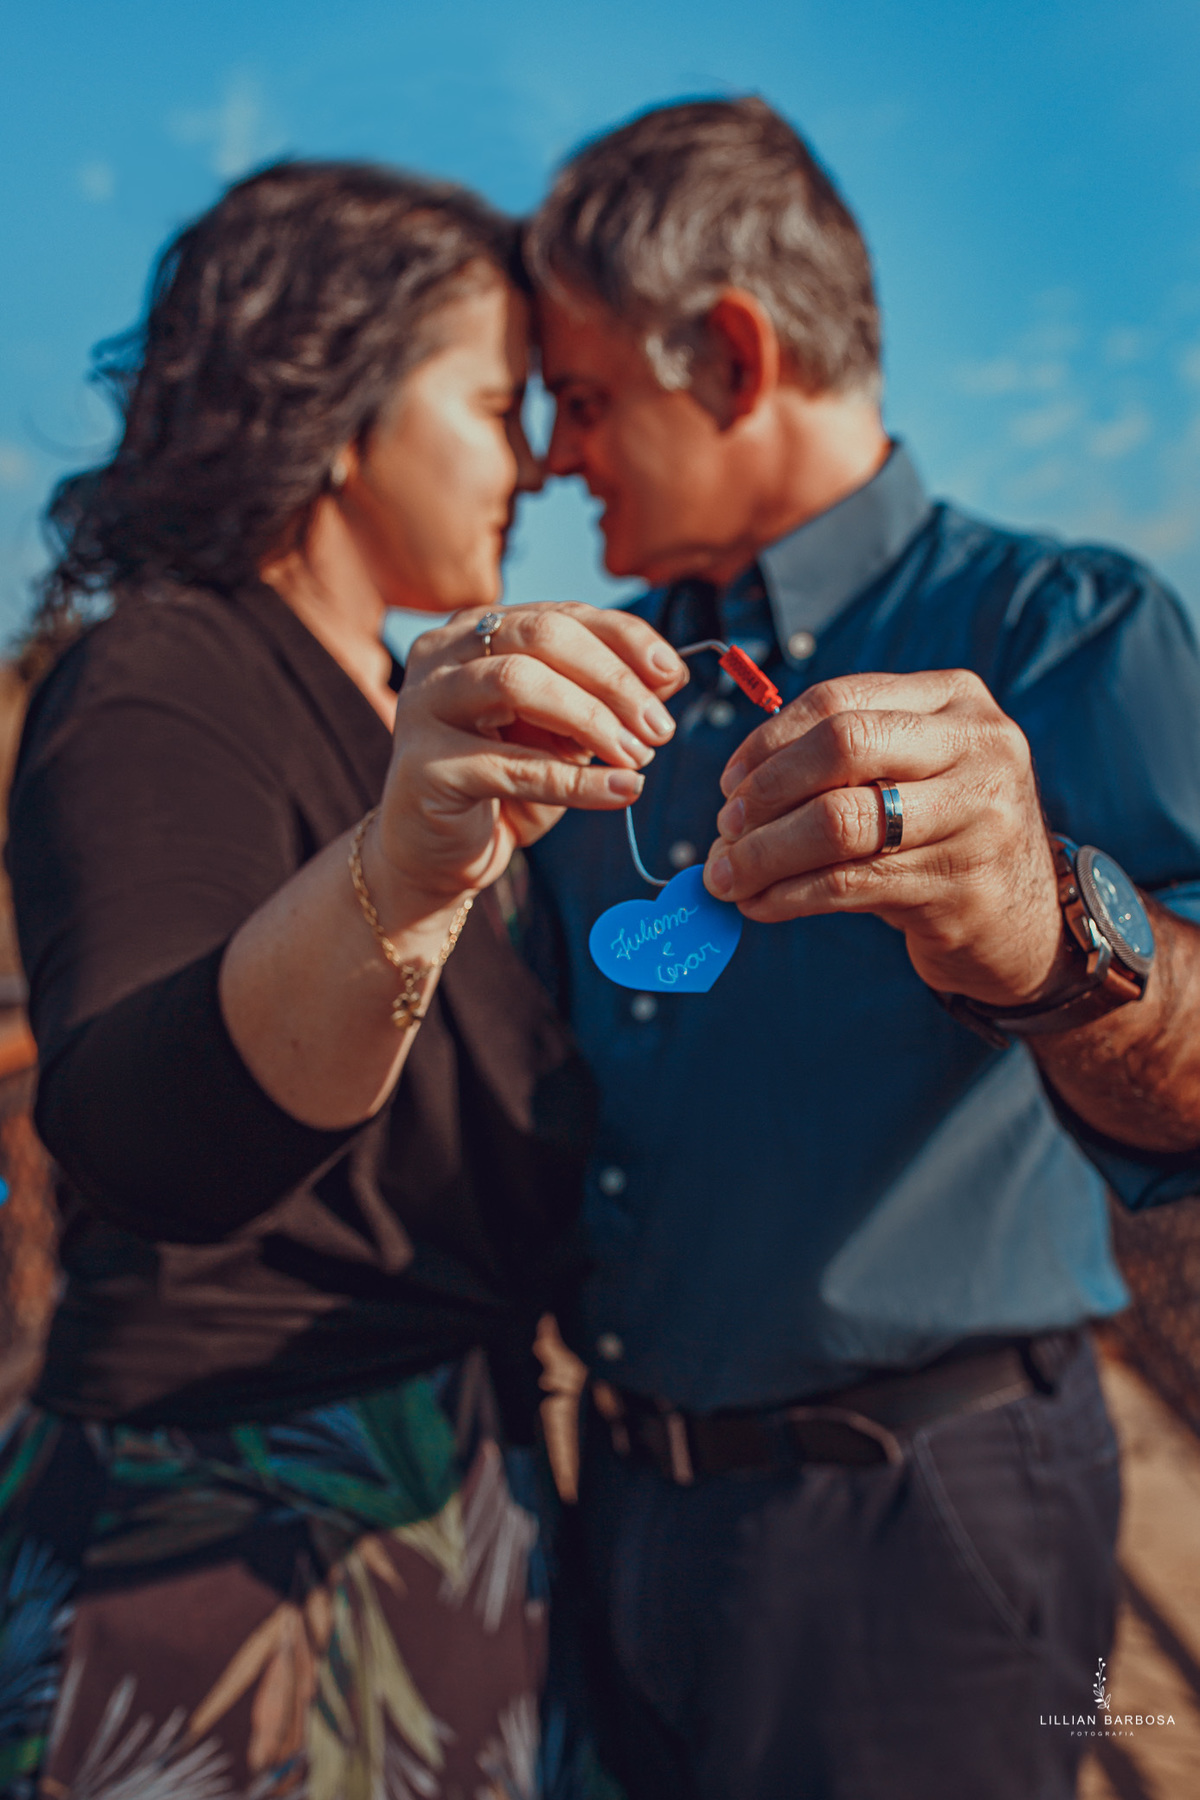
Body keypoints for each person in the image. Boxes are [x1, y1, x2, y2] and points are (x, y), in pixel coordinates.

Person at [521, 97, 1200, 1799]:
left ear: (733, 357)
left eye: (581, 397)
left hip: (925, 1538)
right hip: (616, 1520)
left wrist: (1045, 926)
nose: (549, 456)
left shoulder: (1072, 630)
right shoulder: (607, 686)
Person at [1, 160, 686, 1799]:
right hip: (223, 1564)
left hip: (462, 1516)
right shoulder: (162, 674)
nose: (536, 460)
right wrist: (403, 874)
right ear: (335, 407)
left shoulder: (405, 708)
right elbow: (143, 1131)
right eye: (496, 406)